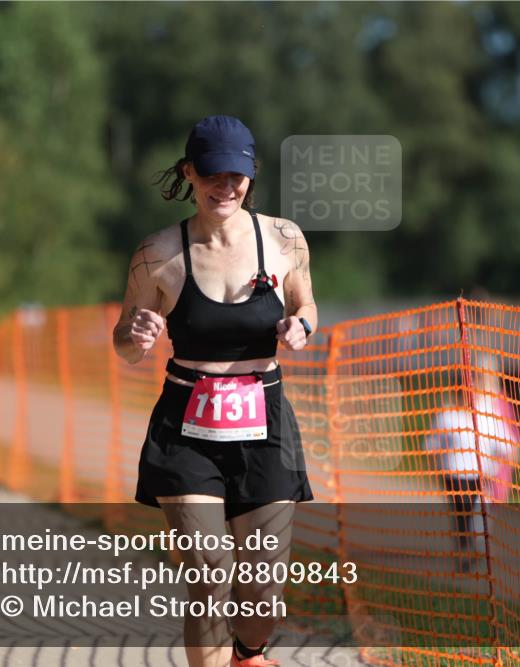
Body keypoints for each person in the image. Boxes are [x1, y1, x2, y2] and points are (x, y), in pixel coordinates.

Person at [113, 116, 316, 667]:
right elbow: (125, 345)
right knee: (208, 572)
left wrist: (301, 326)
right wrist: (135, 333)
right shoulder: (157, 253)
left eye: (236, 174)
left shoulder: (284, 239)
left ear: (251, 176)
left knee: (264, 585)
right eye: (212, 174)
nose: (224, 186)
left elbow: (306, 302)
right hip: (186, 429)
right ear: (189, 173)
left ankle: (248, 655)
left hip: (265, 421)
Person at [423, 355, 520, 573]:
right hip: (454, 476)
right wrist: (436, 467)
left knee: (477, 516)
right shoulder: (448, 415)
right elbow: (431, 445)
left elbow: (506, 444)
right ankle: (464, 553)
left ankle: (477, 549)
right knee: (460, 515)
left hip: (481, 477)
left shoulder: (487, 414)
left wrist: (503, 463)